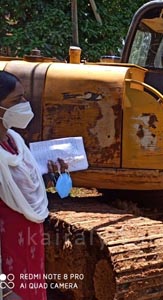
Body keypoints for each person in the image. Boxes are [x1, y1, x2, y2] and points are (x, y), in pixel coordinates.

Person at [0, 71, 49, 300]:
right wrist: (4, 290)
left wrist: (54, 177)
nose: (24, 105)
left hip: (28, 254)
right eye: (15, 101)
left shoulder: (15, 142)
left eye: (24, 98)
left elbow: (28, 188)